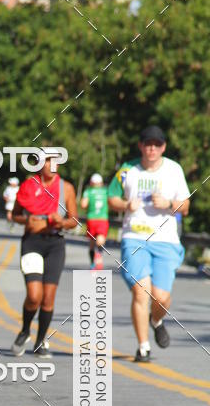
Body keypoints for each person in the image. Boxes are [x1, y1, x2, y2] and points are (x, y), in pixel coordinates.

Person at [108, 125, 190, 363]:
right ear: (140, 146)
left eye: (156, 145)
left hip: (165, 240)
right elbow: (111, 197)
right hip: (134, 238)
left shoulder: (174, 170)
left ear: (163, 147)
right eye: (147, 144)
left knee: (161, 298)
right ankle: (143, 347)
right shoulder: (127, 170)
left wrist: (168, 203)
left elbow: (185, 206)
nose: (152, 149)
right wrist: (125, 206)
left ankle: (156, 321)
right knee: (140, 291)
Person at [11, 156, 78, 358]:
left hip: (55, 244)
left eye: (54, 162)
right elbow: (15, 215)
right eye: (46, 161)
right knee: (34, 295)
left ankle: (41, 341)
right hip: (32, 242)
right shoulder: (28, 186)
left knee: (48, 298)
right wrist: (27, 220)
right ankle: (25, 330)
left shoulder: (66, 188)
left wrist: (62, 222)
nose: (51, 166)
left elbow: (74, 220)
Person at [81, 172, 109, 270]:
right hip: (103, 219)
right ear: (101, 183)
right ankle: (99, 255)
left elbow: (83, 205)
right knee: (100, 240)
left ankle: (93, 262)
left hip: (91, 219)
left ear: (91, 183)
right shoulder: (106, 191)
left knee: (92, 243)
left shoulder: (88, 191)